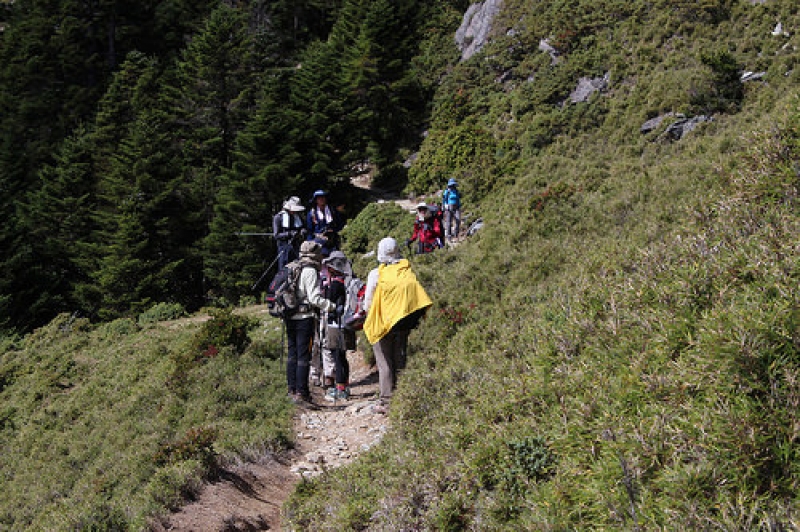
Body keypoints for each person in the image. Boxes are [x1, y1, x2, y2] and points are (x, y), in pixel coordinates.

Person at [363, 237, 432, 414]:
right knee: (400, 358)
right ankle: (402, 397)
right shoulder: (406, 271)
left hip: (382, 324)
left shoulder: (376, 274)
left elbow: (368, 301)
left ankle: (386, 400)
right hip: (402, 323)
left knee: (384, 361)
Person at [285, 241, 338, 405]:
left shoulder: (292, 266)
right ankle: (302, 393)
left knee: (292, 354)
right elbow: (314, 298)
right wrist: (331, 306)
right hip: (304, 318)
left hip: (289, 315)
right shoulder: (310, 271)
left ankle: (292, 390)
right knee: (303, 356)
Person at [321, 251, 352, 401]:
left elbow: (329, 306)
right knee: (342, 356)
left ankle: (339, 388)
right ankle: (344, 386)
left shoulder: (334, 285)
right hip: (345, 324)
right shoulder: (346, 282)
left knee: (337, 356)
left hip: (335, 324)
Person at [272, 196, 306, 269]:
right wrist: (289, 234)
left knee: (298, 267)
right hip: (284, 248)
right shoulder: (278, 217)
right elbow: (276, 235)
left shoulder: (298, 217)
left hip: (297, 247)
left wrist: (302, 231)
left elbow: (302, 227)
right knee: (284, 268)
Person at [306, 190, 343, 257]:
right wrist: (310, 244)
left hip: (333, 242)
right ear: (316, 200)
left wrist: (334, 231)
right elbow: (310, 231)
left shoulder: (332, 211)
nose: (322, 199)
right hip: (319, 243)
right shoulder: (312, 213)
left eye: (323, 197)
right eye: (319, 198)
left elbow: (340, 224)